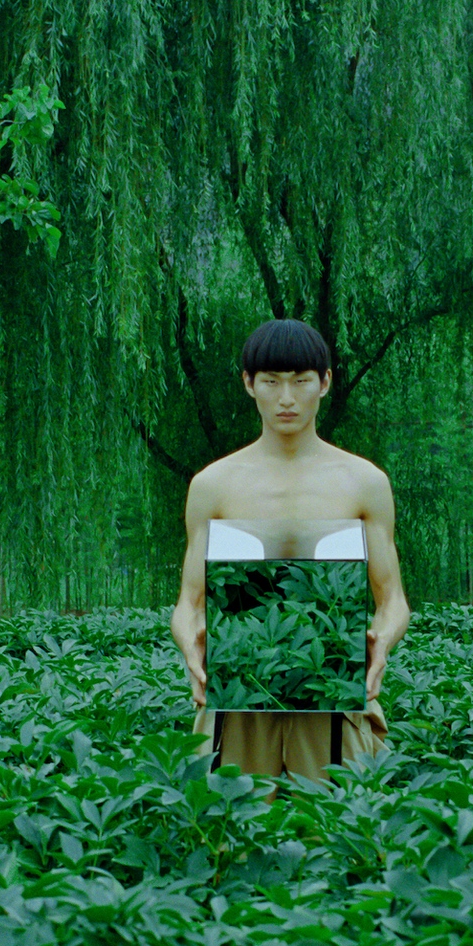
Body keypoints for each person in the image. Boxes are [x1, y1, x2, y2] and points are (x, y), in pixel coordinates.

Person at [169, 318, 410, 789]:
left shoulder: (364, 482)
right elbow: (188, 602)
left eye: (301, 381)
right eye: (271, 382)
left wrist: (382, 642)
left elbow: (393, 599)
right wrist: (190, 645)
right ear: (248, 384)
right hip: (236, 699)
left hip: (335, 694)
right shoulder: (213, 485)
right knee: (228, 838)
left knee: (342, 839)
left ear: (325, 382)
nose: (286, 398)